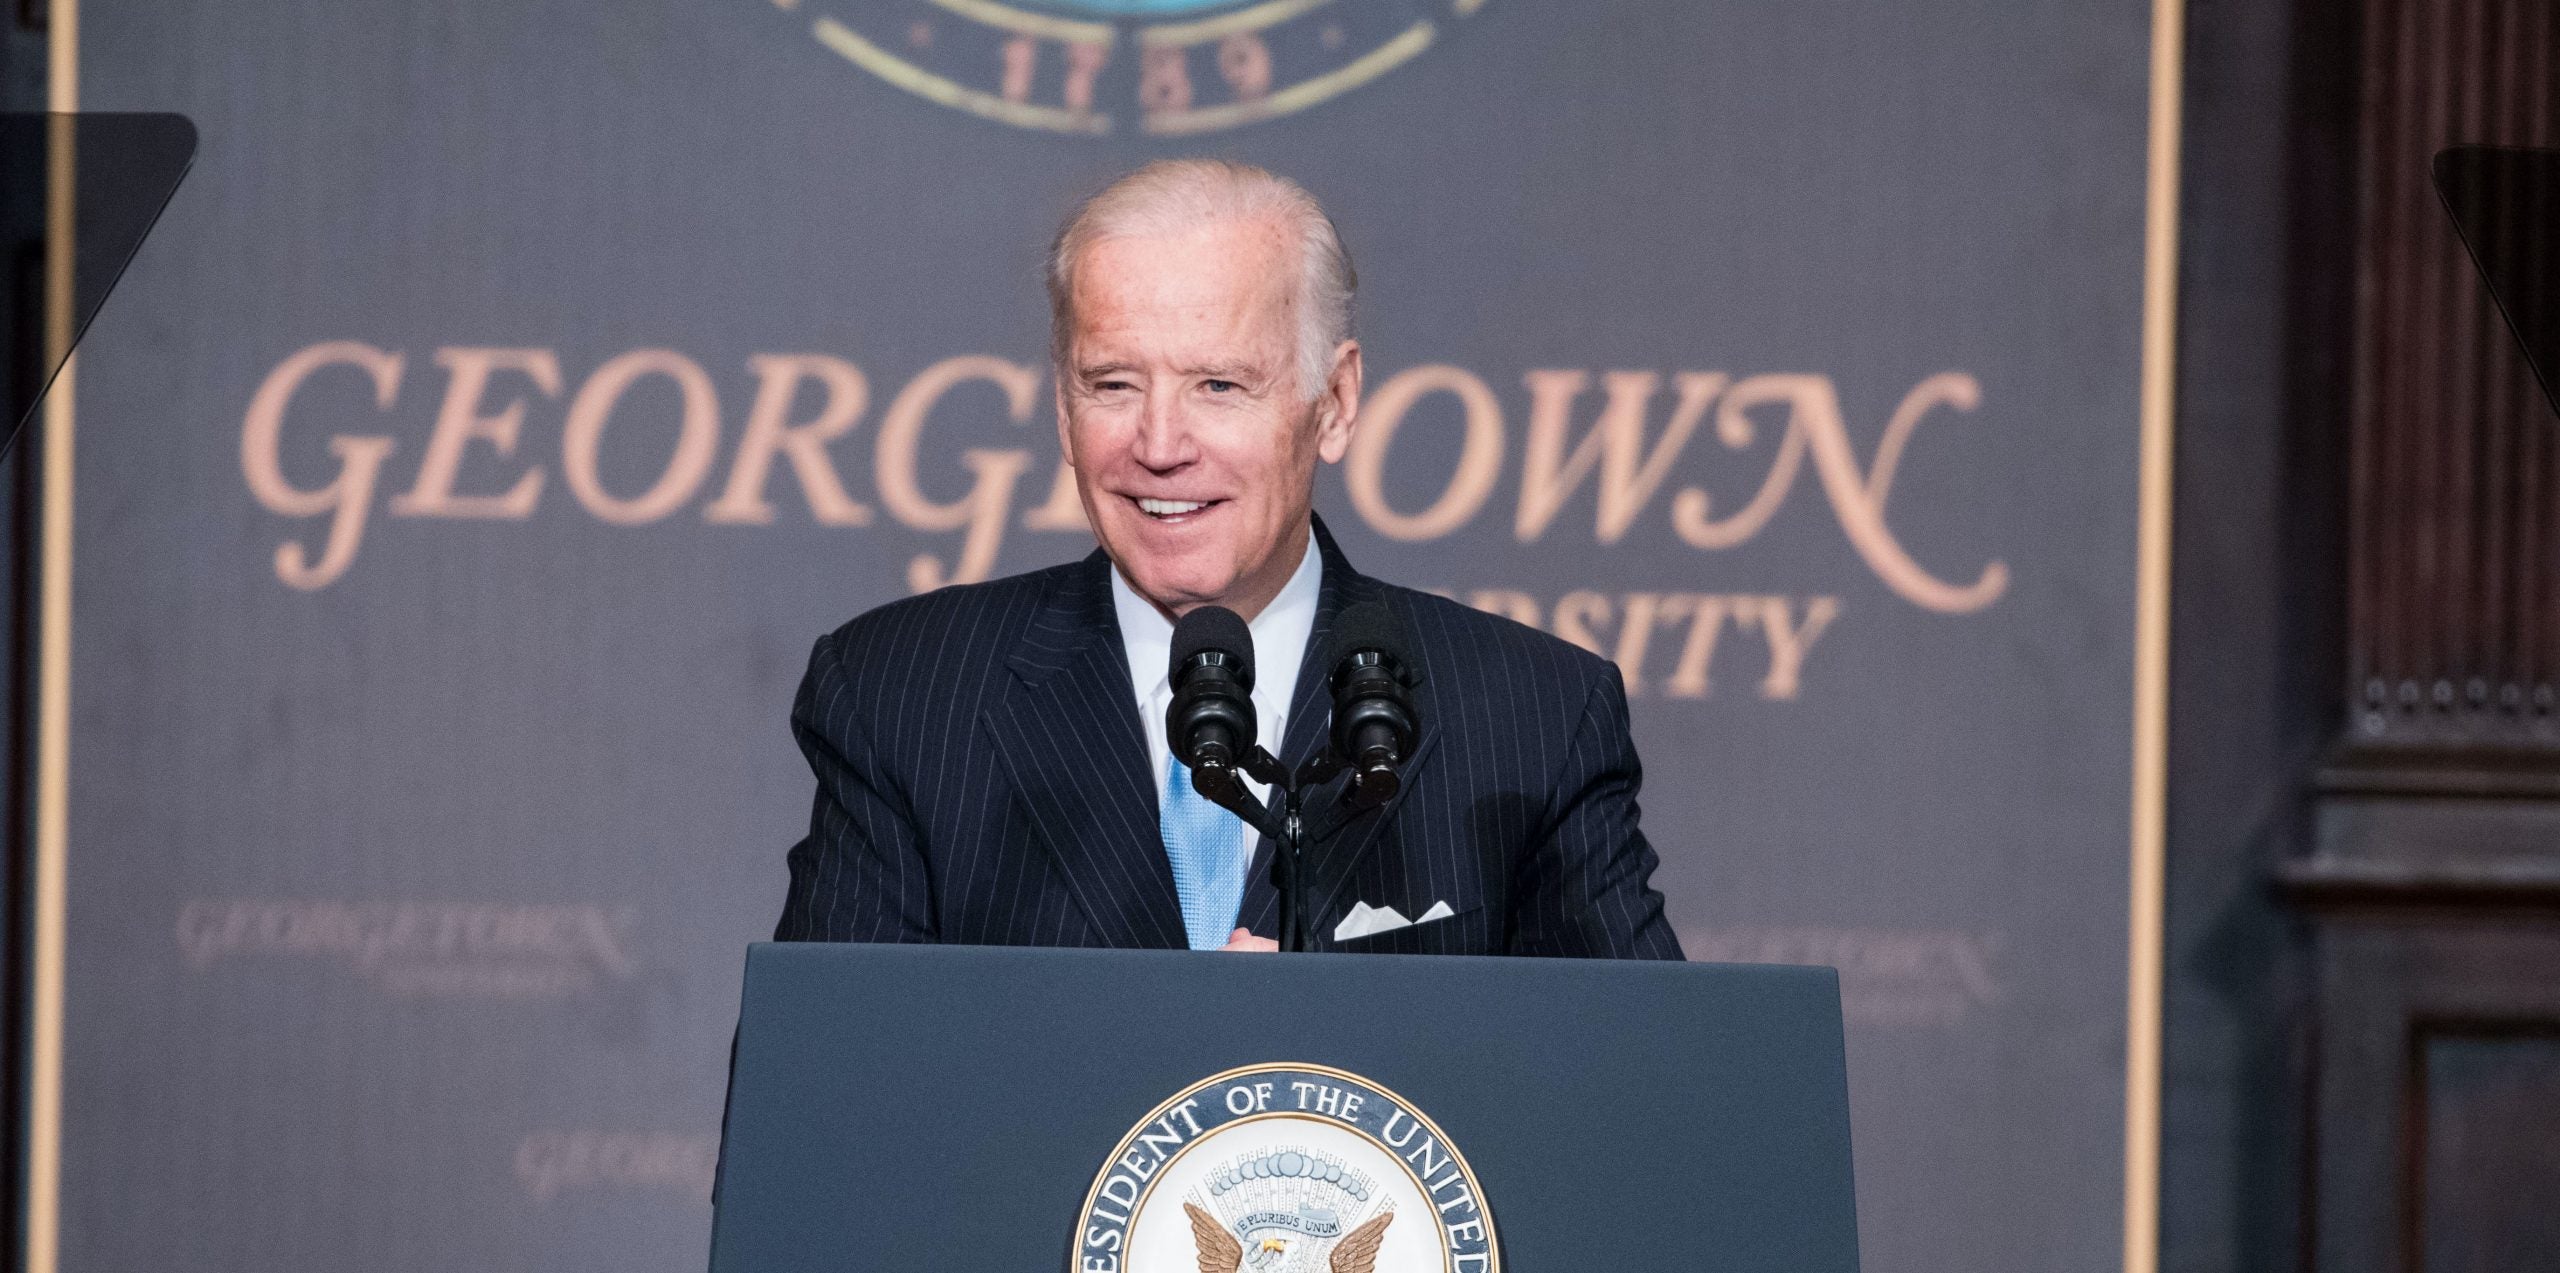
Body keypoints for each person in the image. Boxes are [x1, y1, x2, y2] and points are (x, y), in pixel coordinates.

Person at [775, 159, 1679, 959]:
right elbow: (828, 1113)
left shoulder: (1534, 717)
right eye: (1113, 384)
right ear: (1061, 405)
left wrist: (1336, 1055)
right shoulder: (902, 695)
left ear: (1334, 402)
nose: (1159, 444)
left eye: (1219, 385)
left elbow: (1647, 1105)